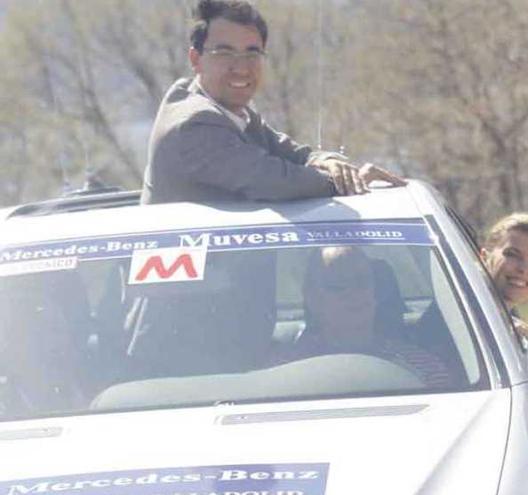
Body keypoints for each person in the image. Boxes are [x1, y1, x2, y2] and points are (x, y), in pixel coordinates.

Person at [141, 0, 404, 204]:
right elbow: (272, 180)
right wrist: (351, 181)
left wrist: (329, 162)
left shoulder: (230, 110)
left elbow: (293, 154)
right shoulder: (194, 123)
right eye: (224, 53)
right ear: (195, 59)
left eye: (252, 53)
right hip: (191, 272)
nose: (241, 68)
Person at [283, 246, 453, 389]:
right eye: (338, 286)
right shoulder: (283, 373)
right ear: (313, 298)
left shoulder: (422, 367)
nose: (354, 294)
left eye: (362, 282)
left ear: (375, 291)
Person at [479, 212, 528, 349]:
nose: (523, 268)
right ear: (484, 258)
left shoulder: (514, 325)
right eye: (512, 255)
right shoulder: (460, 317)